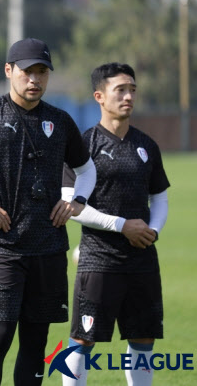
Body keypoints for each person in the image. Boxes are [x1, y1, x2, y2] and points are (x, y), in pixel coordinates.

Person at [0, 38, 96, 386]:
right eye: (27, 72)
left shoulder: (60, 120)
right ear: (9, 71)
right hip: (2, 251)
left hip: (49, 249)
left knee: (36, 343)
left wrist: (77, 202)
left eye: (42, 72)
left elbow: (86, 170)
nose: (34, 80)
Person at [61, 63, 169, 386]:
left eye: (132, 89)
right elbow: (71, 205)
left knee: (143, 339)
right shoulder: (84, 146)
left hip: (142, 259)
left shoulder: (147, 145)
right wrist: (123, 226)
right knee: (83, 340)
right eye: (120, 90)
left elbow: (160, 197)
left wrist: (153, 232)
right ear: (99, 96)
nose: (128, 96)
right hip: (98, 260)